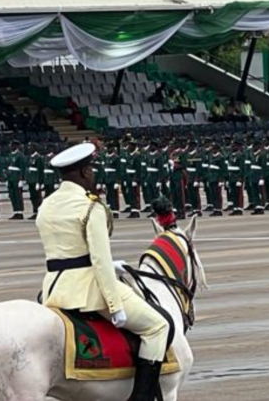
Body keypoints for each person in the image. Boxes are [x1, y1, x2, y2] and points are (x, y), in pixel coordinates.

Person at [36, 143, 170, 401]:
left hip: (54, 287)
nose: (94, 174)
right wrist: (114, 304)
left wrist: (111, 264)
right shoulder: (90, 207)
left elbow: (66, 252)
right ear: (85, 172)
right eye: (92, 169)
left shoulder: (47, 205)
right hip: (87, 289)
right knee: (158, 327)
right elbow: (99, 260)